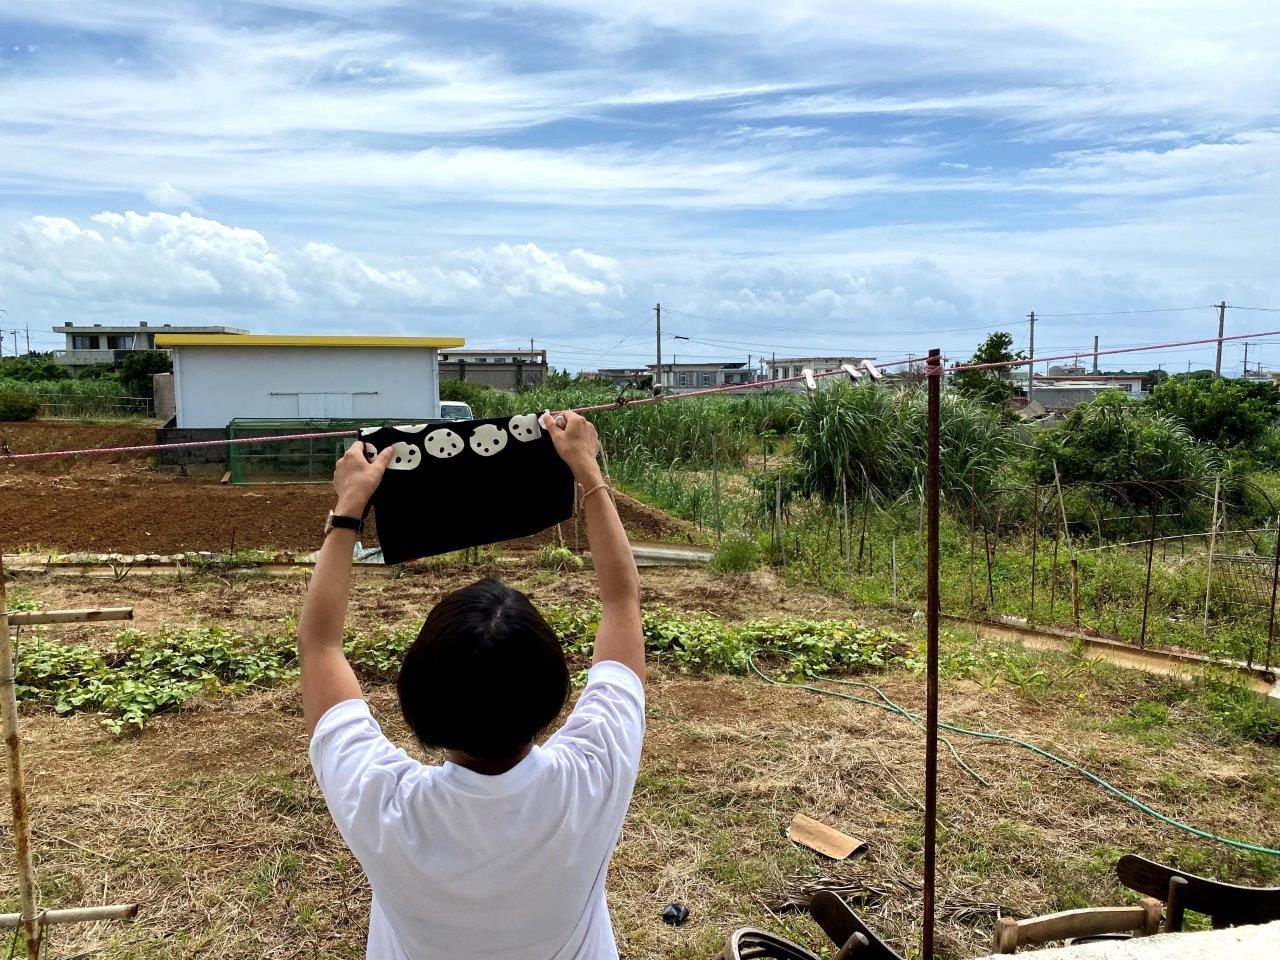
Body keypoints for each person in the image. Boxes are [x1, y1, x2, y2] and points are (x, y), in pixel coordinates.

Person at [297, 410, 645, 960]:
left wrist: (347, 511)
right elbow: (622, 602)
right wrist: (586, 469)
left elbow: (320, 647)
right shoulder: (594, 774)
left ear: (416, 701)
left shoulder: (382, 806)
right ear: (556, 694)